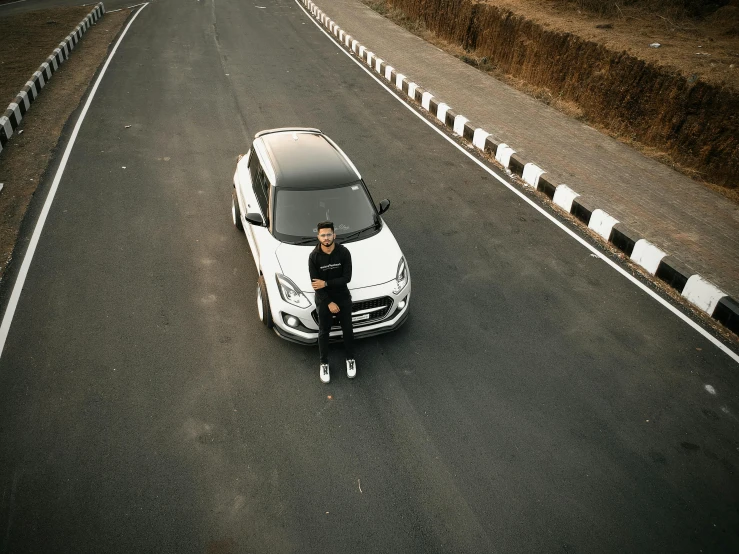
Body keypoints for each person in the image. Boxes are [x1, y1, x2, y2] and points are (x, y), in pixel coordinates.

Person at [309, 221, 356, 383]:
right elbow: (316, 285)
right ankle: (324, 363)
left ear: (334, 235)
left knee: (348, 329)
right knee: (323, 331)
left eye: (329, 234)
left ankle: (350, 359)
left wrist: (327, 283)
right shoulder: (314, 257)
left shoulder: (344, 253)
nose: (326, 238)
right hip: (324, 299)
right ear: (318, 236)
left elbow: (346, 278)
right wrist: (328, 302)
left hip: (342, 296)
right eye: (323, 235)